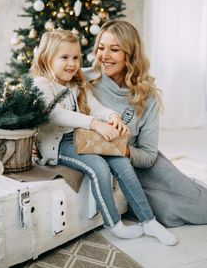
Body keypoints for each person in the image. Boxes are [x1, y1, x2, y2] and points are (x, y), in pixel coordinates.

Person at [30, 29, 177, 246]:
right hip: (58, 146)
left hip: (81, 139)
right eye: (64, 57)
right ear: (46, 57)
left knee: (121, 160)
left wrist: (112, 116)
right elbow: (56, 114)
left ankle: (148, 220)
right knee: (99, 167)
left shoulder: (76, 82)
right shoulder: (42, 84)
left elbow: (96, 106)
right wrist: (95, 124)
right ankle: (114, 224)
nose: (72, 64)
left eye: (76, 57)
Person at [83, 19, 207, 227]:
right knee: (166, 209)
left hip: (136, 159)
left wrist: (121, 149)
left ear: (129, 55)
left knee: (199, 204)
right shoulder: (84, 79)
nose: (104, 56)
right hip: (107, 166)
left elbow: (148, 155)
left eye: (114, 49)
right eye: (101, 48)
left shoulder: (145, 95)